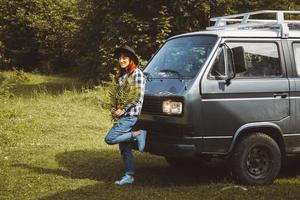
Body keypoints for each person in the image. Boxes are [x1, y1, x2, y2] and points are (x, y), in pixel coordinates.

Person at [104, 45, 147, 185]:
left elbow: (137, 96)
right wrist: (114, 108)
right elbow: (118, 96)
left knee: (110, 139)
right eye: (120, 58)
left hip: (130, 115)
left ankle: (138, 134)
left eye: (124, 58)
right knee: (124, 148)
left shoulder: (137, 74)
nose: (121, 60)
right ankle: (129, 176)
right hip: (122, 115)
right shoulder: (122, 76)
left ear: (131, 59)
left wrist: (123, 109)